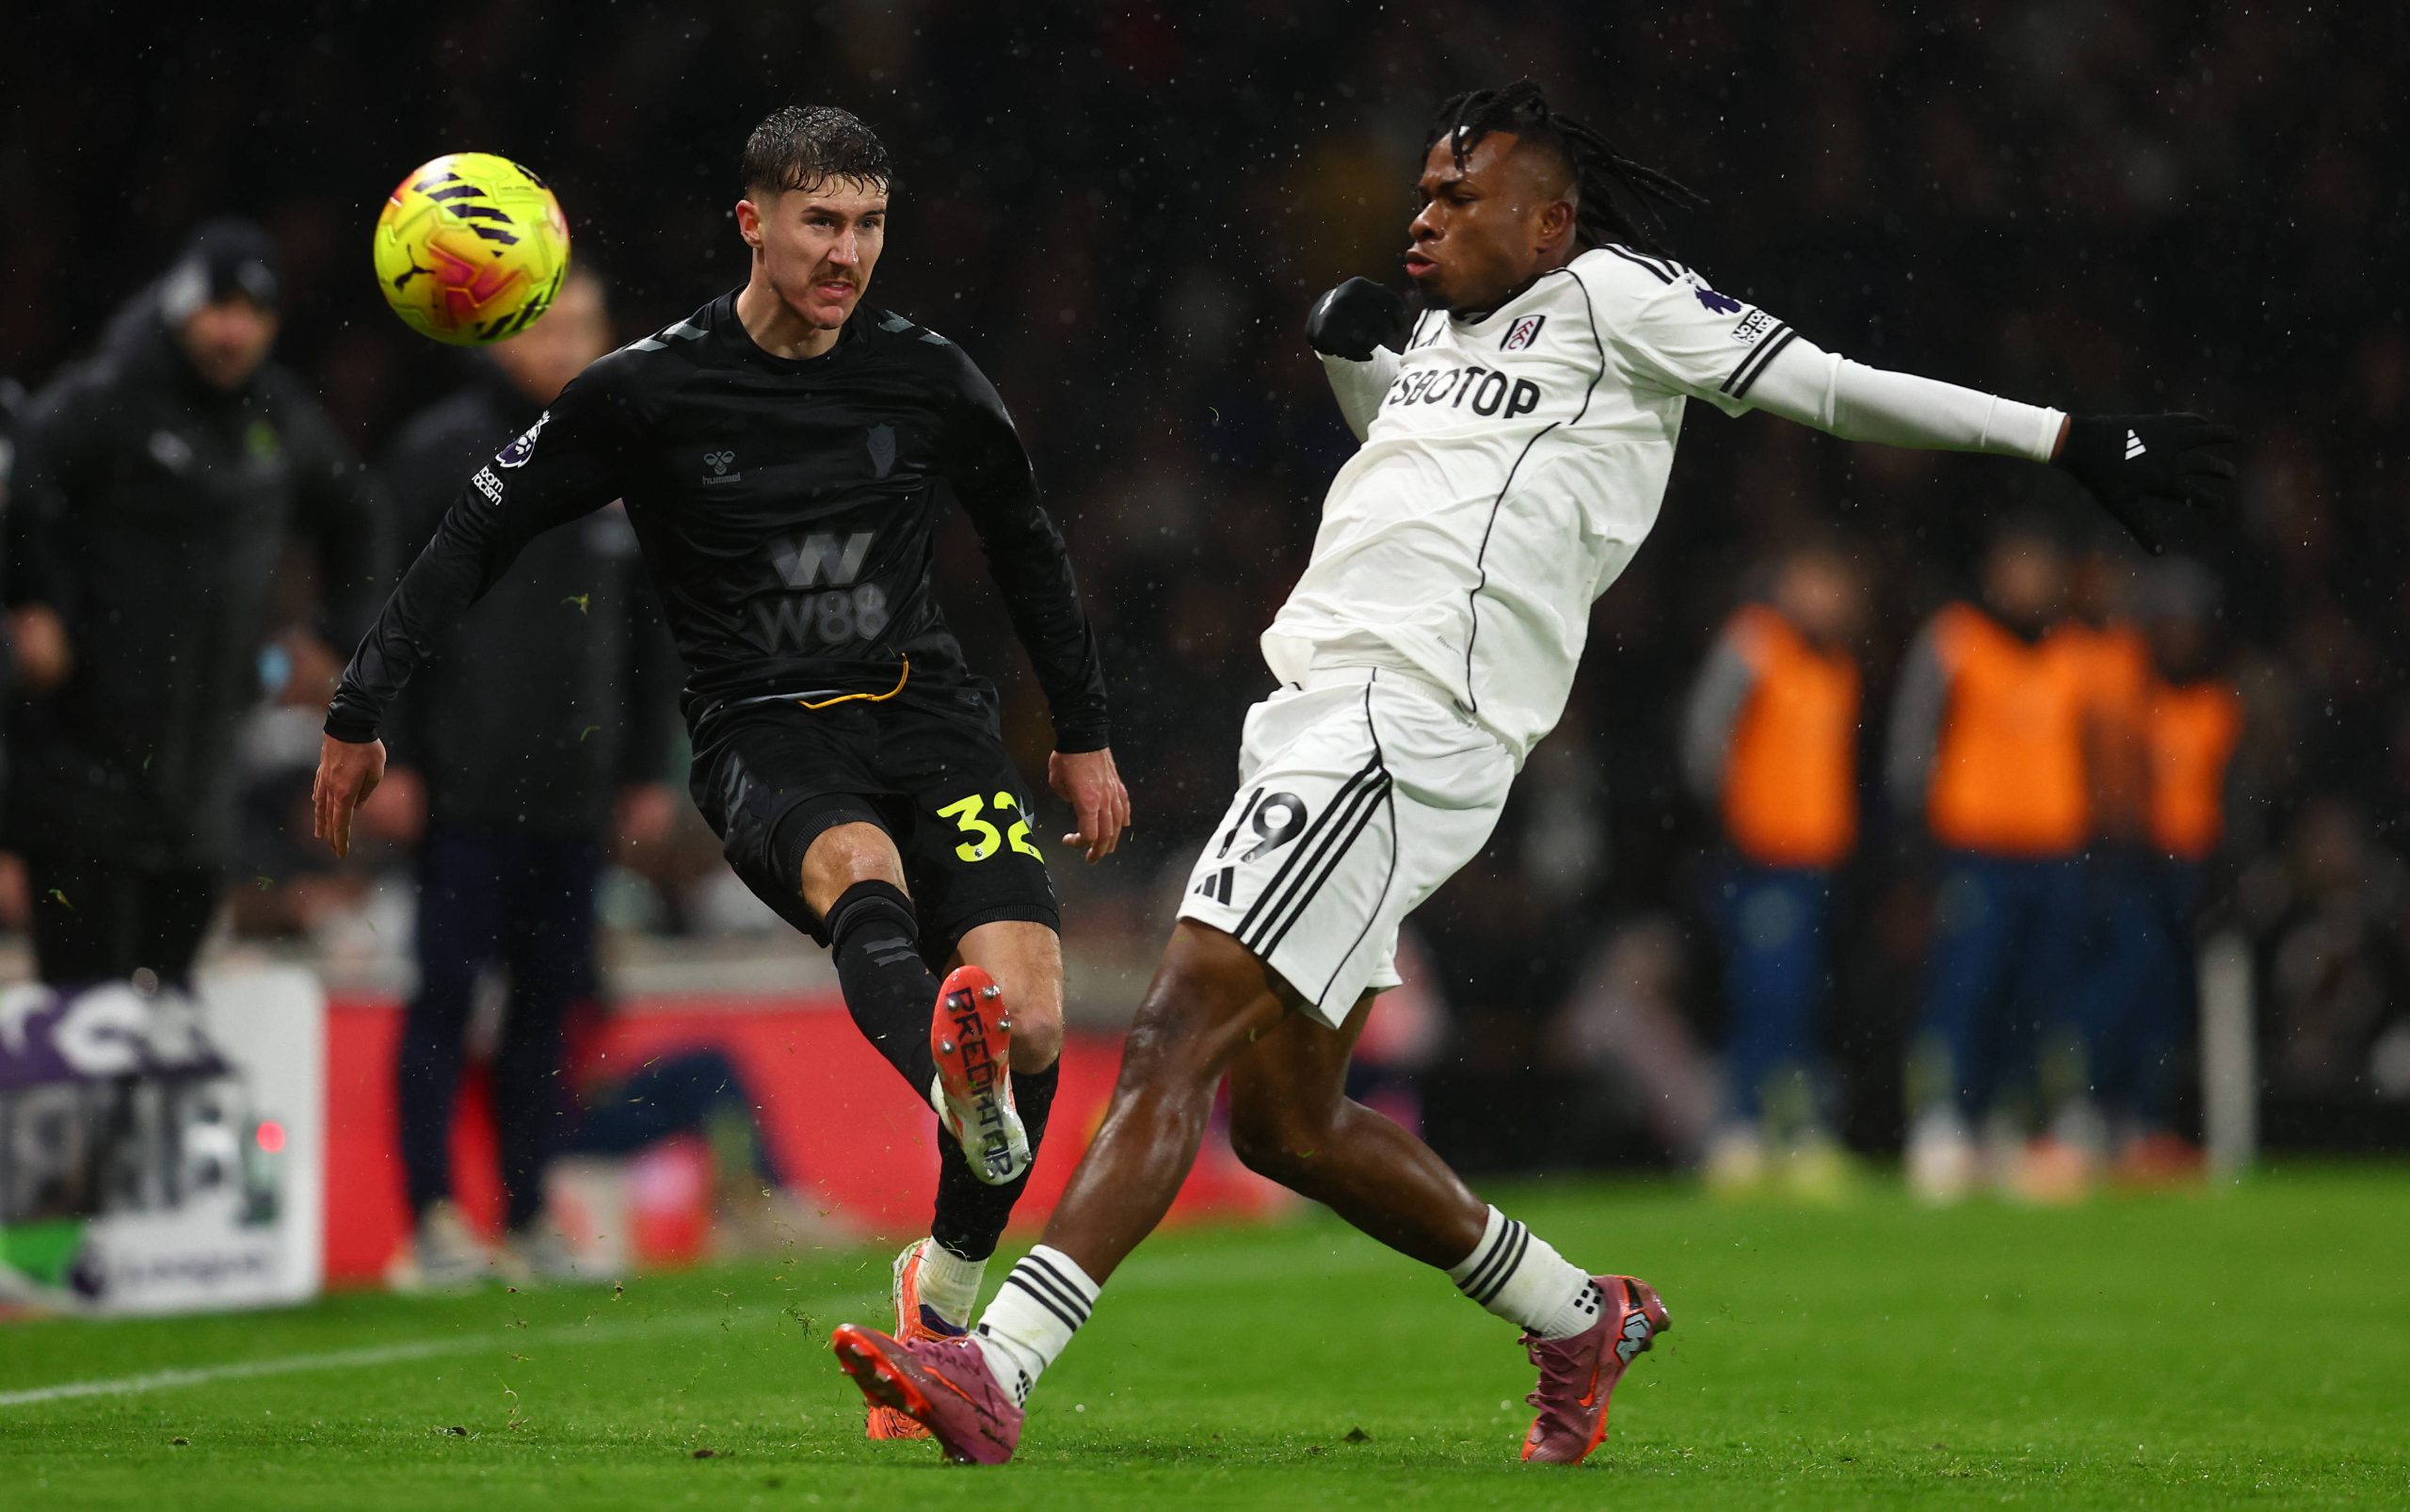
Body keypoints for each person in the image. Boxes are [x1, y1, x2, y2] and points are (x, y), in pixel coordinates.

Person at [827, 80, 2235, 1466]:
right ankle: (1577, 1312)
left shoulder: (1621, 297)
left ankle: (995, 1362)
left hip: (1404, 718)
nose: (1422, 212)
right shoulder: (1441, 338)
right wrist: (1354, 367)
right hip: (1324, 713)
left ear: (1551, 221)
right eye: (1424, 189)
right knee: (1289, 1120)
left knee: (1178, 1025)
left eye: (1460, 192)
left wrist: (2063, 435)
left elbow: (1828, 387)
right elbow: (1427, 484)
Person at [307, 106, 1130, 1438]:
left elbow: (1027, 541)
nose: (846, 251)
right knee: (856, 874)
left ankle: (947, 1281)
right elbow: (474, 532)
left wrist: (1082, 729)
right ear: (752, 224)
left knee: (1034, 1017)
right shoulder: (649, 389)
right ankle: (950, 1076)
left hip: (930, 718)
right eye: (820, 223)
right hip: (764, 728)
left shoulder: (927, 374)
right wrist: (361, 709)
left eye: (868, 224)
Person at [374, 268, 683, 1290]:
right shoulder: (435, 454)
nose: (569, 342)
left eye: (588, 324)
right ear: (497, 330)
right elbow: (392, 611)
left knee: (550, 1014)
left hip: (572, 796)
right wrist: (395, 752)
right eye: (551, 324)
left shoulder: (617, 458)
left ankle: (528, 1213)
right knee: (445, 1002)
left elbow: (646, 635)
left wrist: (642, 765)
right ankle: (429, 1221)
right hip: (461, 789)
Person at [4, 218, 382, 989]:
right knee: (84, 1012)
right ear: (181, 308)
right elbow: (20, 488)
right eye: (219, 307)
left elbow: (362, 516)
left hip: (204, 780)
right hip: (83, 769)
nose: (233, 330)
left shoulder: (275, 419)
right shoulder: (109, 397)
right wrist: (32, 603)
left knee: (168, 1004)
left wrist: (335, 634)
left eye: (254, 313)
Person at [1887, 520, 2097, 1202]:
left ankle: (2019, 1127)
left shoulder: (2074, 651)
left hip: (2056, 856)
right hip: (1974, 855)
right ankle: (1941, 1124)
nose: (2028, 581)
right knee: (1961, 992)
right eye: (2018, 564)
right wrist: (1914, 841)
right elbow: (1912, 743)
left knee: (2043, 998)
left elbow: (2096, 754)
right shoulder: (1957, 639)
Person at [1679, 544, 1864, 1198]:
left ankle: (1793, 1134)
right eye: (1815, 583)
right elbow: (1704, 739)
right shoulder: (1755, 643)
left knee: (1801, 1001)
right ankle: (1738, 1134)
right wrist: (1737, 822)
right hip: (1760, 860)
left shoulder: (1836, 663)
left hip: (1816, 862)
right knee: (1763, 997)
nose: (1826, 600)